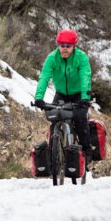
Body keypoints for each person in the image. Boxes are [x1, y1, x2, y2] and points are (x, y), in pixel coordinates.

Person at [34, 28, 93, 164]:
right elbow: (44, 77)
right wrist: (38, 97)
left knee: (80, 119)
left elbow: (85, 77)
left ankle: (87, 150)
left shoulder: (81, 57)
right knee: (54, 120)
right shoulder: (52, 58)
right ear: (58, 45)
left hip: (79, 95)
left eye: (68, 46)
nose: (65, 49)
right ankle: (53, 153)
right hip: (61, 94)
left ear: (74, 46)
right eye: (62, 45)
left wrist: (85, 97)